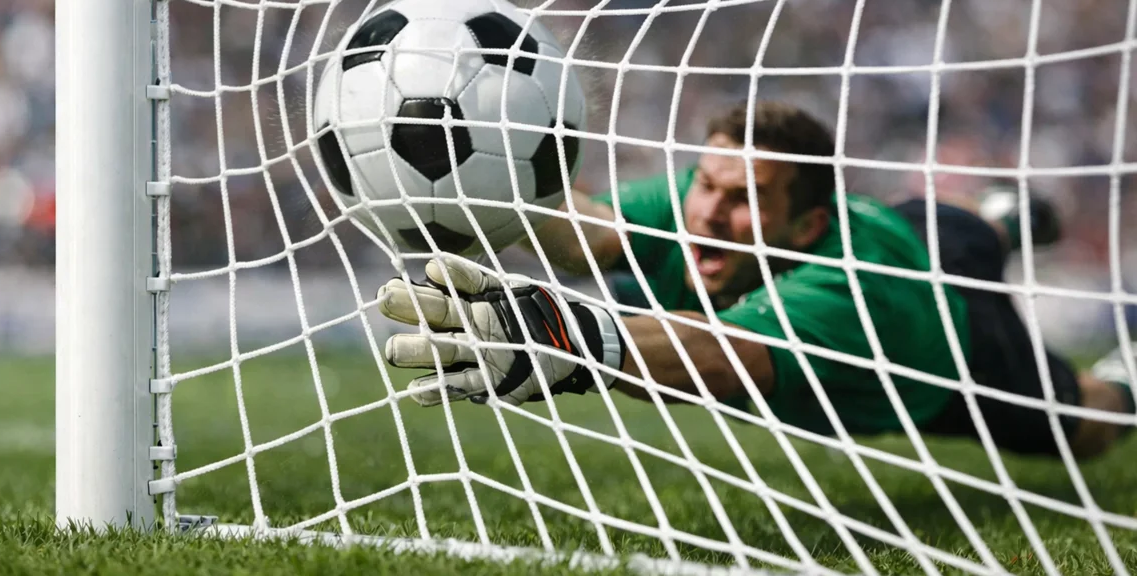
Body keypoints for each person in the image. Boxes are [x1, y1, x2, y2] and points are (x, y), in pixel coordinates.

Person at [376, 101, 1134, 459]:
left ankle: (1123, 375)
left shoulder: (849, 294)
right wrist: (492, 186)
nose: (705, 213)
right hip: (916, 222)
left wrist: (566, 338)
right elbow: (594, 229)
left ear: (806, 228)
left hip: (949, 343)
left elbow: (718, 354)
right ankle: (1004, 215)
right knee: (970, 222)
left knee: (1092, 429)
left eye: (744, 200)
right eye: (707, 182)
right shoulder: (698, 204)